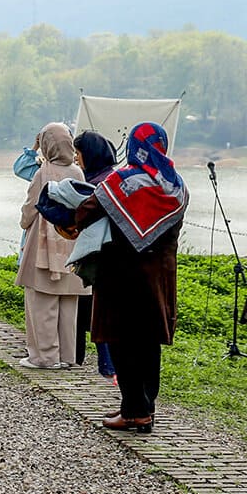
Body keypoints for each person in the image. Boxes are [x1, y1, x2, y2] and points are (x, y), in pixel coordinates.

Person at [70, 122, 187, 433]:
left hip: (121, 277)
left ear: (134, 147)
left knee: (123, 342)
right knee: (149, 344)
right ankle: (145, 406)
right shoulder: (176, 186)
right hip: (159, 279)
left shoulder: (122, 180)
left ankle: (133, 411)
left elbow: (86, 212)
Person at [16, 122, 85, 369]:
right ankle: (67, 357)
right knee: (68, 304)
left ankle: (44, 357)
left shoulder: (42, 172)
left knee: (42, 302)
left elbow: (30, 208)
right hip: (72, 242)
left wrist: (24, 223)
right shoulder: (77, 172)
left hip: (44, 245)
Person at [71, 131, 117, 383]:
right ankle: (104, 363)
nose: (77, 160)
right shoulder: (99, 176)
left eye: (79, 154)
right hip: (97, 254)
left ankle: (108, 365)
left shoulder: (103, 182)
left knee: (101, 309)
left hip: (103, 256)